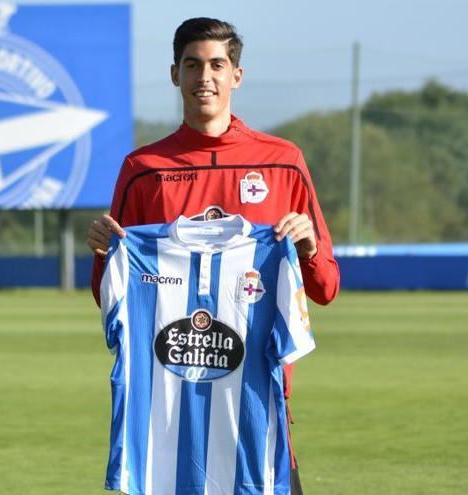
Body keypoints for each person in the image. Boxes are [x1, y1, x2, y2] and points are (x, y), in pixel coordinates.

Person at [87, 17, 339, 494]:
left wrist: (306, 248)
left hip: (256, 405)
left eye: (217, 65)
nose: (205, 77)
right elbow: (110, 298)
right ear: (175, 74)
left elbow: (326, 288)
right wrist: (105, 251)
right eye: (193, 65)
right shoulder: (144, 170)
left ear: (236, 76)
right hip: (165, 417)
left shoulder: (283, 162)